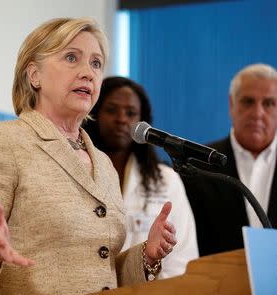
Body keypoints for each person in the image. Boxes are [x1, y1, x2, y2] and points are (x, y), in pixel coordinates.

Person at [0, 17, 177, 294]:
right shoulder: (1, 141)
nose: (88, 73)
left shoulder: (103, 163)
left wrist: (146, 255)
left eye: (96, 63)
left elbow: (96, 270)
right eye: (71, 58)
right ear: (34, 75)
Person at [84, 76, 198, 278]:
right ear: (95, 114)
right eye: (111, 110)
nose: (122, 119)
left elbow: (182, 260)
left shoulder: (165, 180)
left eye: (131, 113)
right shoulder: (78, 172)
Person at [182, 63, 277, 256]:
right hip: (217, 282)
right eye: (248, 102)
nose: (257, 113)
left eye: (268, 103)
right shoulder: (197, 164)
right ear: (232, 104)